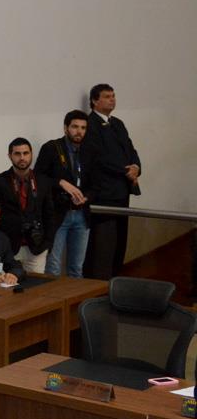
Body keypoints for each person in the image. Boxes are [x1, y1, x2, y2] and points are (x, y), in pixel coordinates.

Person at [83, 84, 141, 279]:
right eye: (107, 96)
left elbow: (131, 149)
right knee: (103, 241)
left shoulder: (118, 123)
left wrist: (136, 167)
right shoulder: (90, 124)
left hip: (123, 190)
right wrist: (126, 171)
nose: (112, 99)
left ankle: (116, 277)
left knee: (120, 238)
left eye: (113, 96)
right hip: (105, 192)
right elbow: (98, 157)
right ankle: (99, 281)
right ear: (94, 101)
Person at [0, 138, 56, 274]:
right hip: (8, 246)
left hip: (36, 247)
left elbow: (50, 215)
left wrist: (48, 243)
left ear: (31, 154)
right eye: (17, 154)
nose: (22, 158)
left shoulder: (43, 181)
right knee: (7, 284)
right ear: (9, 156)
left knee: (36, 285)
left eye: (25, 153)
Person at [36, 110, 93, 277]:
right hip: (57, 214)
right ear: (65, 128)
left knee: (76, 268)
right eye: (75, 127)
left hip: (82, 214)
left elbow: (97, 184)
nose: (79, 131)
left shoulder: (90, 151)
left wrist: (86, 197)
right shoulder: (52, 148)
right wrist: (60, 182)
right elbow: (38, 178)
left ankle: (77, 296)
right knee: (53, 266)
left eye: (83, 128)